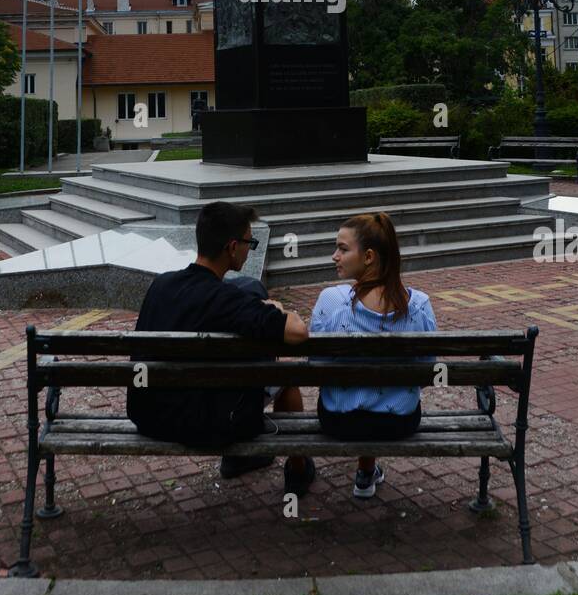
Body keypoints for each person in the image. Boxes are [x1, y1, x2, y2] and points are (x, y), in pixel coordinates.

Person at [126, 200, 316, 497]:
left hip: (148, 415)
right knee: (285, 373)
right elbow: (298, 332)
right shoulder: (227, 300)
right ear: (231, 247)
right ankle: (297, 469)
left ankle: (242, 459)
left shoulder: (160, 285)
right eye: (249, 242)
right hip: (205, 426)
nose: (249, 248)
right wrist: (274, 306)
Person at [309, 212, 437, 498]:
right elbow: (428, 371)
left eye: (342, 249)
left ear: (368, 257)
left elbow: (316, 365)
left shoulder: (332, 302)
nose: (334, 256)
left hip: (338, 421)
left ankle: (366, 473)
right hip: (399, 422)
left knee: (357, 394)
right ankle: (366, 473)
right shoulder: (419, 306)